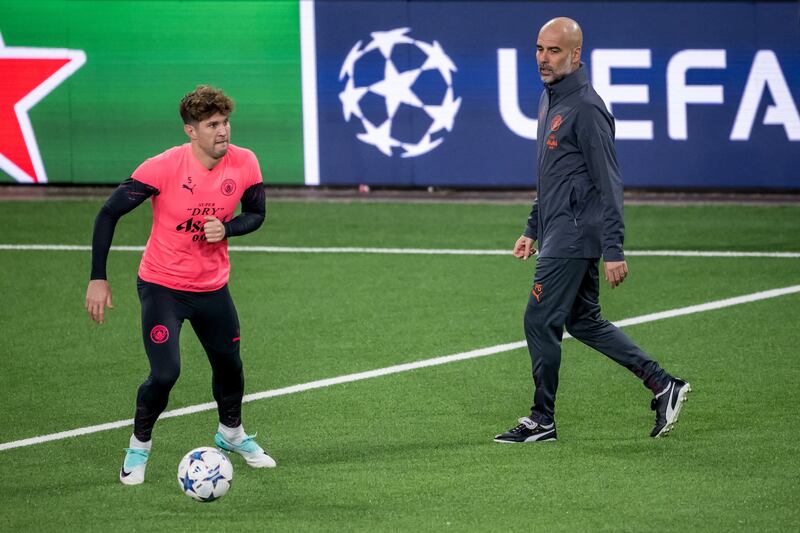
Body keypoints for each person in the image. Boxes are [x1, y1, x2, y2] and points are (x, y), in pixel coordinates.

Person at [494, 18, 690, 443]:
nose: (543, 59)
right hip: (558, 230)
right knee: (583, 321)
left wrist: (614, 247)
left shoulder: (585, 107)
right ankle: (663, 385)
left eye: (554, 51)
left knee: (539, 319)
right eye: (540, 49)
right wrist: (532, 226)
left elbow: (609, 182)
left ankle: (541, 419)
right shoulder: (551, 100)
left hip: (575, 233)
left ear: (576, 55)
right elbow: (554, 175)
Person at [85, 85, 276, 484]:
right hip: (162, 287)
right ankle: (138, 448)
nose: (223, 132)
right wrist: (98, 278)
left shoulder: (245, 163)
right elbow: (108, 214)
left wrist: (226, 229)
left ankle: (232, 434)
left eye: (225, 122)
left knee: (230, 365)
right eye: (212, 125)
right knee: (166, 373)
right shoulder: (162, 167)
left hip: (212, 288)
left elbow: (256, 213)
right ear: (191, 131)